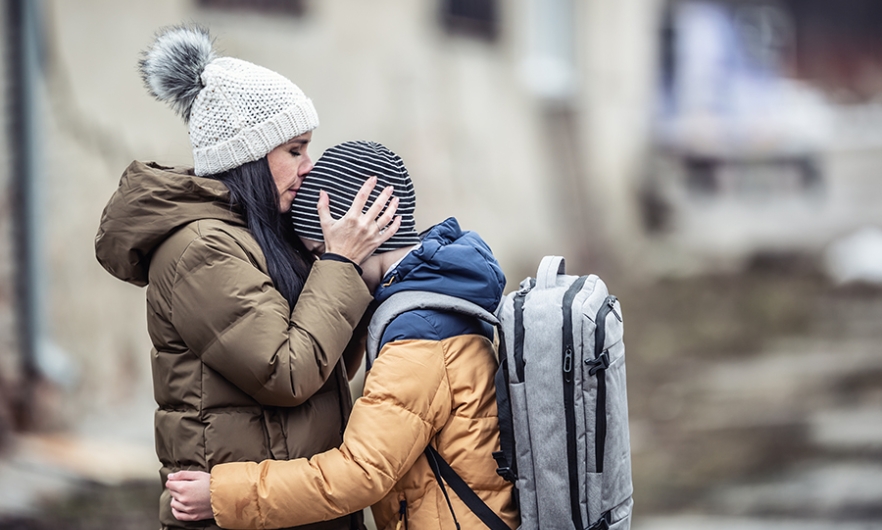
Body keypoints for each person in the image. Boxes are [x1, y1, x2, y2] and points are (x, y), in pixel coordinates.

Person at [95, 27, 400, 530]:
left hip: (286, 503)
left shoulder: (258, 237)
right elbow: (287, 373)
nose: (310, 167)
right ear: (250, 156)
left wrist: (353, 274)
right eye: (295, 150)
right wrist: (340, 266)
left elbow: (329, 370)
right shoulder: (201, 249)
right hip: (235, 514)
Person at [165, 141, 520, 530]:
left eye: (323, 250)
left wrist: (222, 494)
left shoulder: (420, 330)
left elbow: (360, 473)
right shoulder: (441, 290)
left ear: (366, 229)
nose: (325, 264)